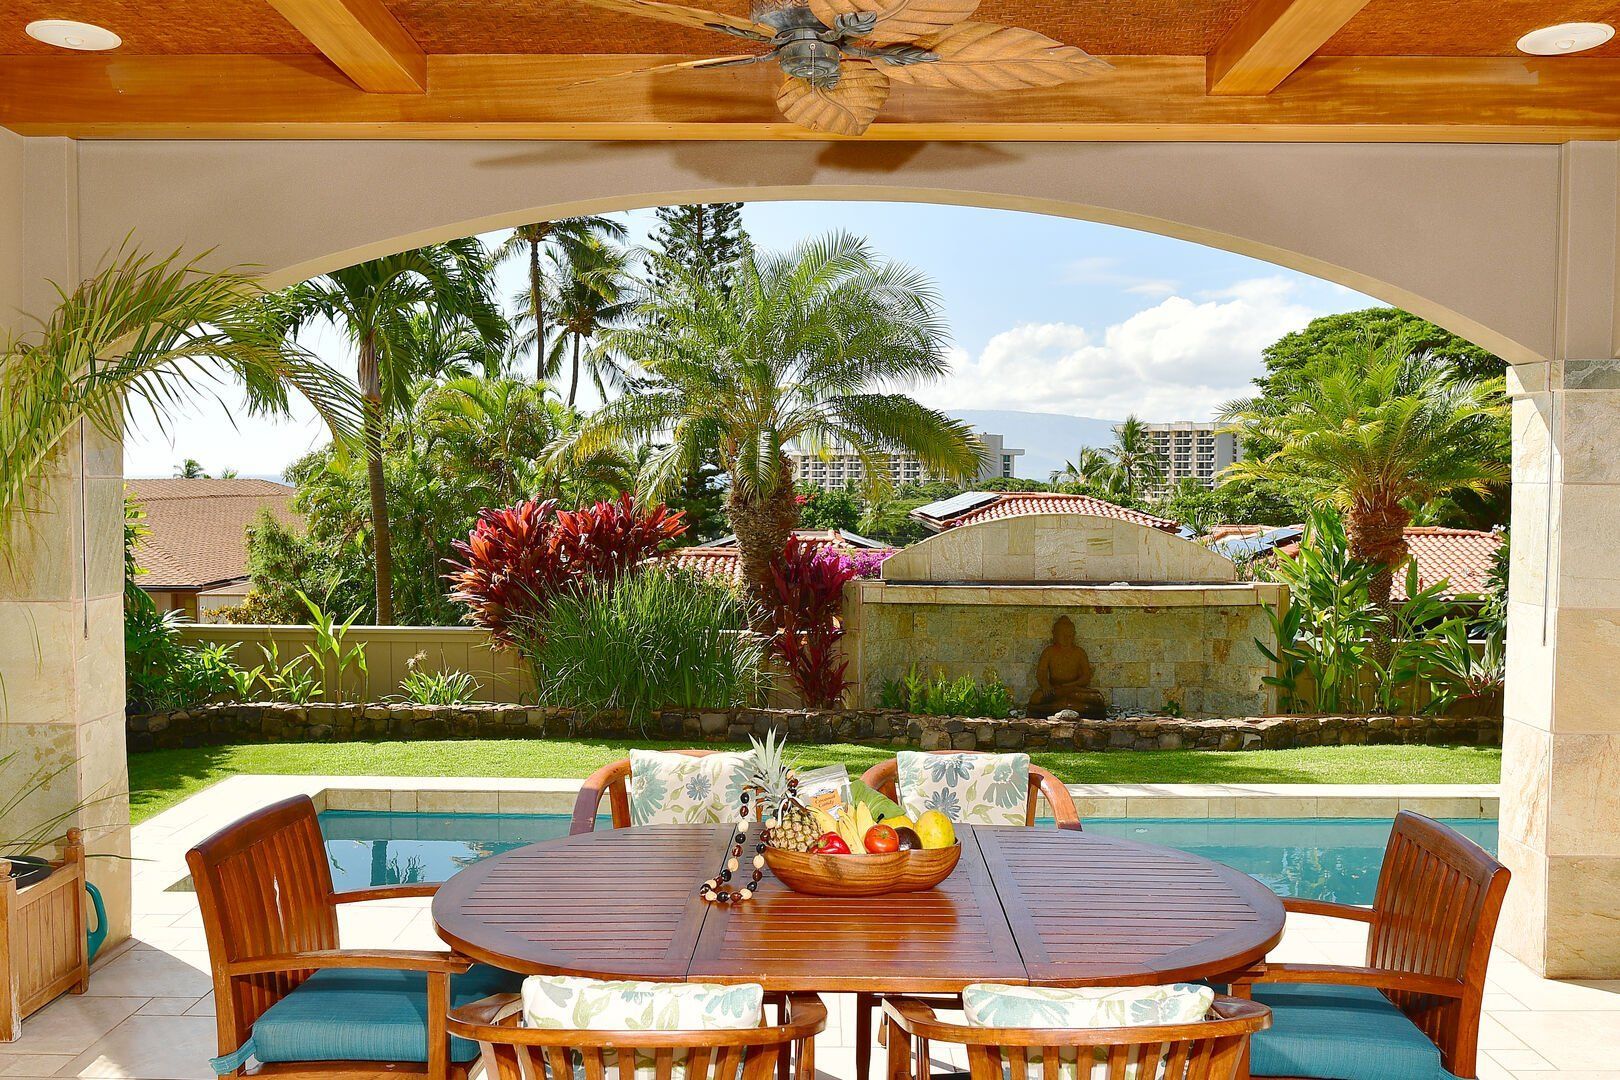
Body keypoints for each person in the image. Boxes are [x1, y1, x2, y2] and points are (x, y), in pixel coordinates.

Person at [1027, 615, 1107, 719]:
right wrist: (1045, 685)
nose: (1066, 638)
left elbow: (1086, 677)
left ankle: (1060, 706)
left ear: (1074, 636)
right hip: (1056, 690)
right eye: (1062, 635)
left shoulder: (1079, 652)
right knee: (1036, 698)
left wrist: (1071, 685)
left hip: (1075, 689)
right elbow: (1041, 673)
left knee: (1098, 698)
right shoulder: (1049, 652)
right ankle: (1073, 706)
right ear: (1055, 635)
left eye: (1069, 635)